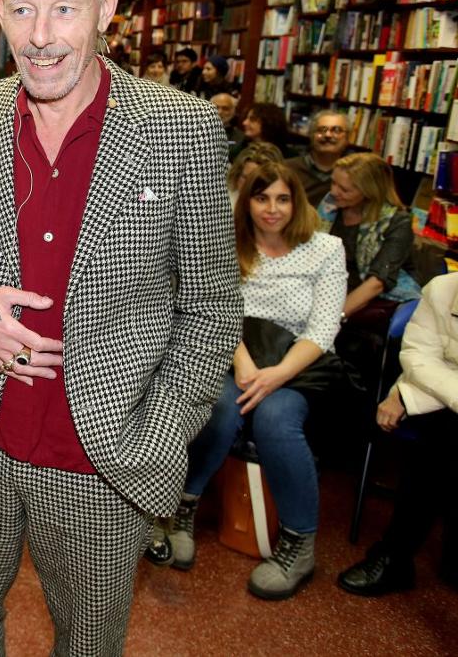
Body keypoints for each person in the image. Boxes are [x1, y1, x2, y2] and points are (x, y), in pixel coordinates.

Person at [0, 0, 241, 655]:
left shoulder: (181, 130)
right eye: (23, 10)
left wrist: (157, 432)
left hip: (105, 456)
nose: (42, 36)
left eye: (65, 9)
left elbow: (213, 306)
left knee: (88, 642)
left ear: (107, 7)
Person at [163, 163, 346, 599]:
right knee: (222, 406)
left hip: (297, 363)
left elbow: (322, 329)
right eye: (261, 198)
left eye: (282, 199)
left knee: (275, 419)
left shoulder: (326, 249)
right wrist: (244, 366)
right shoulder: (227, 246)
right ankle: (182, 509)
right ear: (246, 202)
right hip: (235, 354)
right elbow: (215, 307)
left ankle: (300, 543)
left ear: (296, 202)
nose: (272, 209)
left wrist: (277, 375)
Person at [338, 272, 458, 596]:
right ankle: (395, 557)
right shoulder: (444, 289)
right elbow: (420, 357)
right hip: (446, 400)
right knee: (438, 441)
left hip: (441, 394)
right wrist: (403, 393)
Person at [321, 152, 422, 320]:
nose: (333, 191)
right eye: (333, 182)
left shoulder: (397, 222)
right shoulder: (330, 205)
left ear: (369, 191)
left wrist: (331, 318)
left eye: (344, 189)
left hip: (372, 300)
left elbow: (377, 282)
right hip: (330, 289)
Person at [285, 110, 351, 206]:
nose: (328, 135)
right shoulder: (287, 169)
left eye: (336, 130)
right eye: (321, 130)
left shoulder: (353, 174)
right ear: (311, 135)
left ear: (348, 138)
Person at [230, 101, 296, 161]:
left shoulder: (289, 157)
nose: (244, 123)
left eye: (252, 119)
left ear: (268, 123)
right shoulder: (242, 148)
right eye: (246, 118)